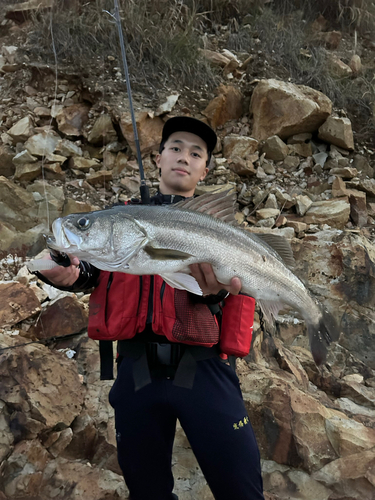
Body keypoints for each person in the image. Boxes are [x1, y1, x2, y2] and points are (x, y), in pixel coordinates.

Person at [37, 116, 265, 500]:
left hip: (205, 369)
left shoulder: (220, 227)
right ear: (158, 158)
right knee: (147, 492)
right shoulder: (118, 218)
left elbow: (231, 288)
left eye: (196, 153)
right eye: (175, 147)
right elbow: (91, 271)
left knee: (242, 490)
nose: (184, 157)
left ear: (204, 169)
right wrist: (67, 272)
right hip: (136, 373)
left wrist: (215, 292)